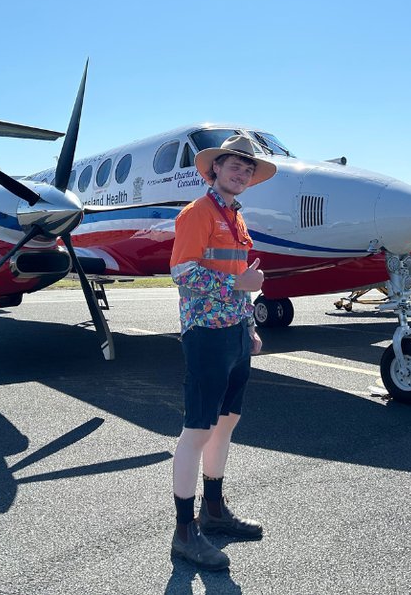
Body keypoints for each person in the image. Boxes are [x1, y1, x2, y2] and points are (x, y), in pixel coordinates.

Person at [168, 134, 277, 570]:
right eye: (235, 165)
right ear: (215, 169)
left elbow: (240, 275)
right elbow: (182, 272)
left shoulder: (235, 216)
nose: (242, 173)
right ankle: (183, 531)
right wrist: (238, 285)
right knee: (197, 430)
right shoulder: (197, 213)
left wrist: (249, 325)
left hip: (234, 333)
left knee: (227, 423)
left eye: (248, 169)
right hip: (206, 333)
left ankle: (213, 511)